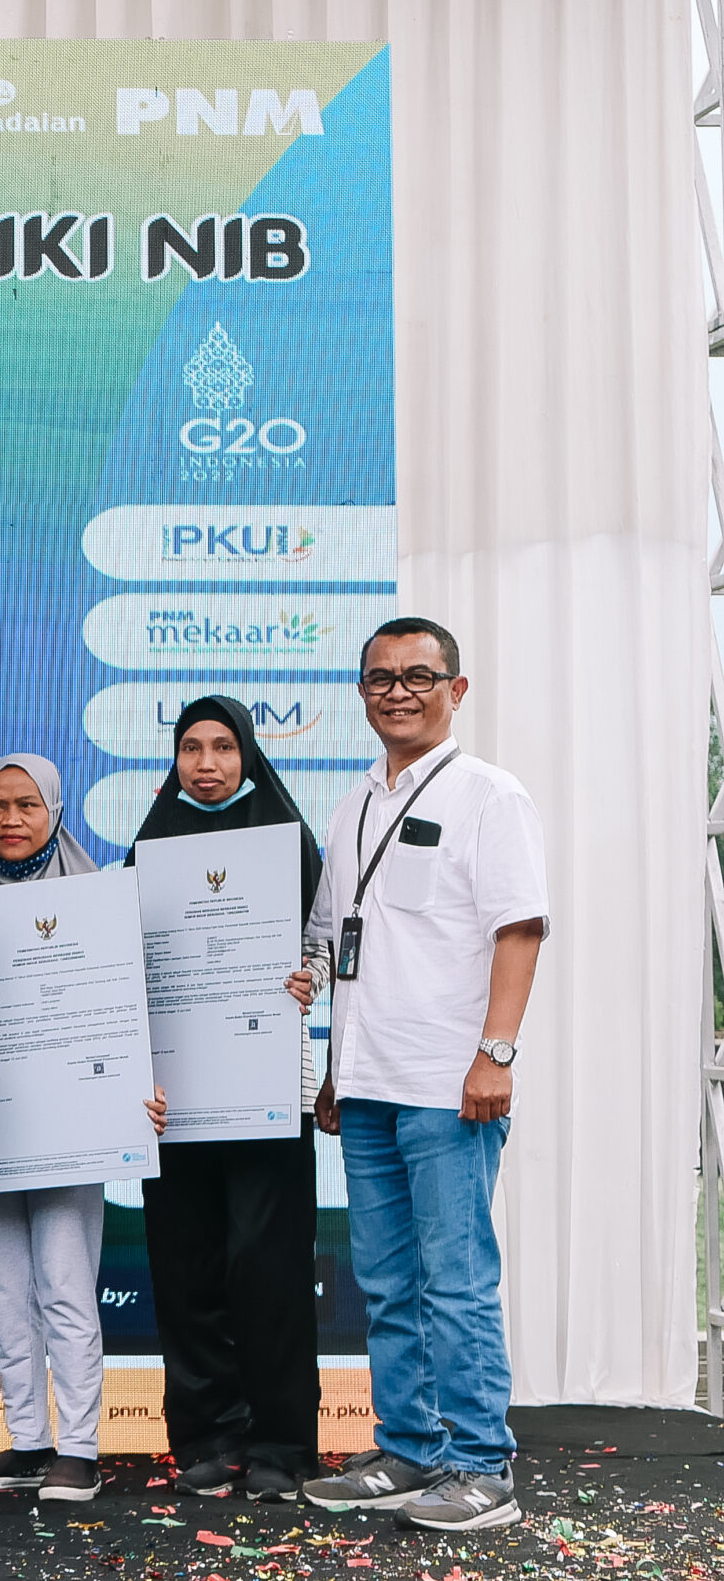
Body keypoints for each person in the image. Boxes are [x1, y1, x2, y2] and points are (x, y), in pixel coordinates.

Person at [300, 619, 547, 1532]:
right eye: (380, 678)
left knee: (456, 1281)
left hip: (450, 1085)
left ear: (456, 689)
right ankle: (409, 1449)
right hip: (367, 1086)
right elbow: (342, 944)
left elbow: (518, 928)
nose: (398, 692)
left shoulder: (491, 794)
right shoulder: (353, 803)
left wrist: (496, 1053)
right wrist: (337, 1068)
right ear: (362, 693)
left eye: (418, 676)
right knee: (387, 1282)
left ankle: (483, 1468)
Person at [0, 754, 164, 1504]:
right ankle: (27, 1440)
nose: (10, 820)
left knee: (66, 1286)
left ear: (56, 811)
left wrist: (135, 1088)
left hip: (73, 1127)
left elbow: (133, 1010)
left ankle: (78, 1449)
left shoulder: (99, 896)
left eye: (27, 805)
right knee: (5, 1289)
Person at [124, 698, 326, 1502]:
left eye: (222, 747)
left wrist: (309, 977)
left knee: (269, 1272)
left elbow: (323, 943)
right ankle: (208, 1437)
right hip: (176, 1102)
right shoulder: (149, 848)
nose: (206, 764)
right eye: (190, 748)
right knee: (188, 1270)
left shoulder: (290, 840)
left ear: (247, 755)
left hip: (267, 1093)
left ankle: (283, 1443)